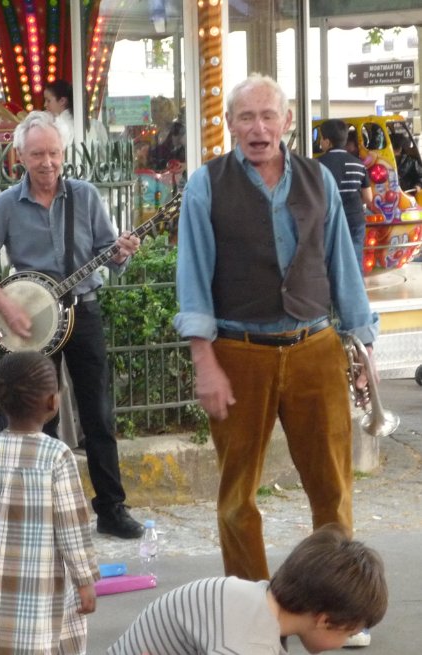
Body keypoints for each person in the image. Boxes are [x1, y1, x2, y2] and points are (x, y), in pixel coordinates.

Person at [174, 75, 379, 595]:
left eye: (269, 116)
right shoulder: (206, 183)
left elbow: (343, 267)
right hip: (238, 352)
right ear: (230, 125)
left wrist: (363, 342)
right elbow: (192, 278)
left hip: (315, 347)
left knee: (332, 487)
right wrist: (205, 361)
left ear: (288, 122)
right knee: (237, 495)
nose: (258, 128)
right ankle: (250, 607)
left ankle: (336, 602)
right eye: (246, 117)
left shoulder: (319, 180)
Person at [0, 110, 144, 539]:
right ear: (20, 156)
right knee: (35, 418)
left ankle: (111, 509)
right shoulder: (7, 204)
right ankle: (38, 512)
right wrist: (7, 306)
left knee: (98, 414)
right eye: (38, 154)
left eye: (54, 153)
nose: (47, 162)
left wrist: (122, 251)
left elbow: (110, 252)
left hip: (83, 311)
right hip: (32, 324)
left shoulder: (85, 196)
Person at [0, 351, 100, 655]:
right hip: (39, 593)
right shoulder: (57, 456)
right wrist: (85, 579)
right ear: (52, 403)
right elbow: (72, 529)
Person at [107, 524, 388, 655]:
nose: (346, 642)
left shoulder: (256, 601)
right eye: (349, 633)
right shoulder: (250, 643)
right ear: (325, 620)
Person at [318, 119, 374, 271]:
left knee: (330, 265)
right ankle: (356, 292)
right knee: (355, 263)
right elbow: (368, 198)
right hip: (355, 219)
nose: (320, 143)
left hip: (329, 220)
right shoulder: (358, 164)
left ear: (328, 142)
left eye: (321, 138)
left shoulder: (317, 165)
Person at [43, 80, 108, 152]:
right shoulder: (93, 125)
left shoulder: (58, 125)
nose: (45, 105)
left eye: (48, 100)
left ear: (62, 101)